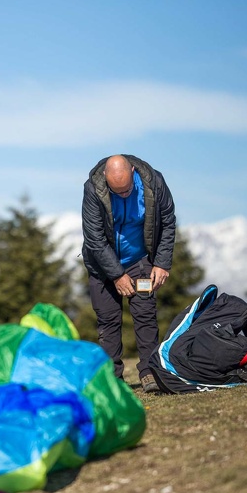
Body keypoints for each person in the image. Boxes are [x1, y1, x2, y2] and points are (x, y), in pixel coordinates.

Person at [81, 154, 176, 393]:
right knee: (107, 320)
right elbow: (94, 238)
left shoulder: (154, 183)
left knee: (145, 315)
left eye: (127, 190)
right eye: (117, 192)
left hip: (140, 260)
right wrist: (116, 275)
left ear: (133, 171)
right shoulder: (92, 188)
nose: (124, 195)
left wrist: (162, 263)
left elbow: (167, 222)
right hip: (102, 266)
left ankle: (150, 373)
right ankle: (113, 379)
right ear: (105, 178)